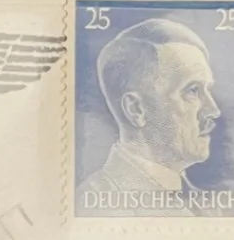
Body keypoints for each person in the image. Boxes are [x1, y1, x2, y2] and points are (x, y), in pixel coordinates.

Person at [84, 17, 221, 208]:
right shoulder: (96, 206)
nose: (213, 110)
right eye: (192, 91)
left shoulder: (206, 206)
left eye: (208, 89)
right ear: (136, 109)